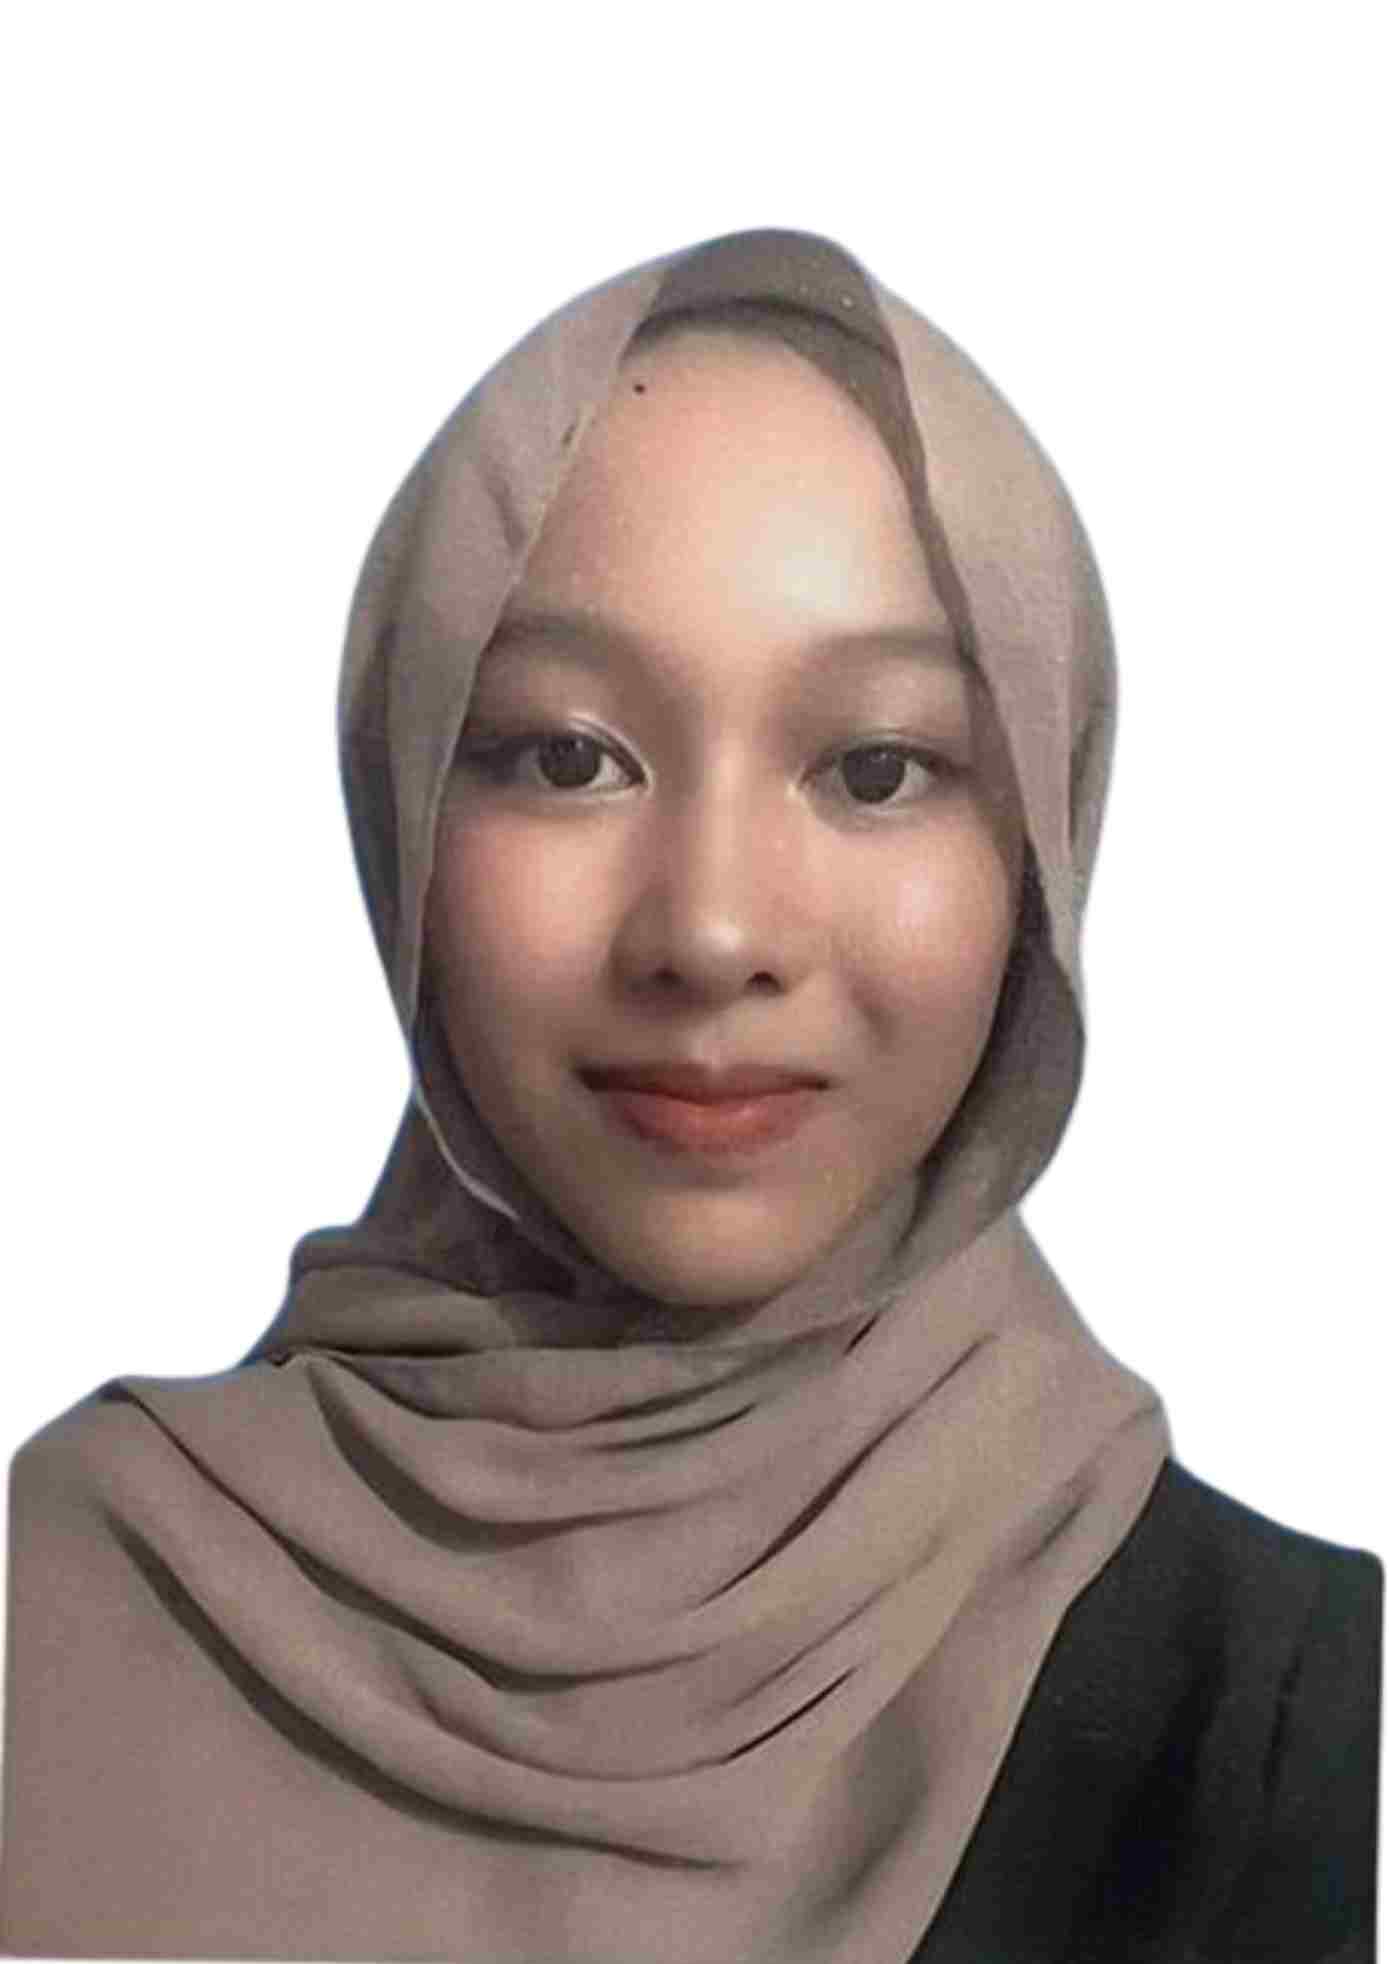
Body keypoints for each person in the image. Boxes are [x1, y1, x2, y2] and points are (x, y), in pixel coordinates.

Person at [0, 229, 1378, 1962]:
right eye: (567, 756)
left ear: (1036, 844)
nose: (713, 931)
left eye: (876, 767)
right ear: (405, 805)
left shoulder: (1290, 1726)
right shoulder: (60, 1597)